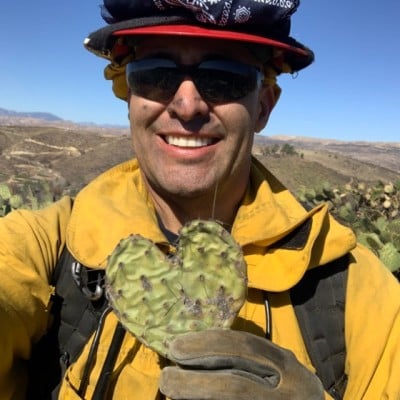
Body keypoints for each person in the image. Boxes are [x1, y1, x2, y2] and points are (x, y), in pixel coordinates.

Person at [0, 0, 399, 399]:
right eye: (155, 74)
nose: (187, 106)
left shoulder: (353, 288)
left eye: (223, 77)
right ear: (129, 95)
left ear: (263, 106)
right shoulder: (48, 246)